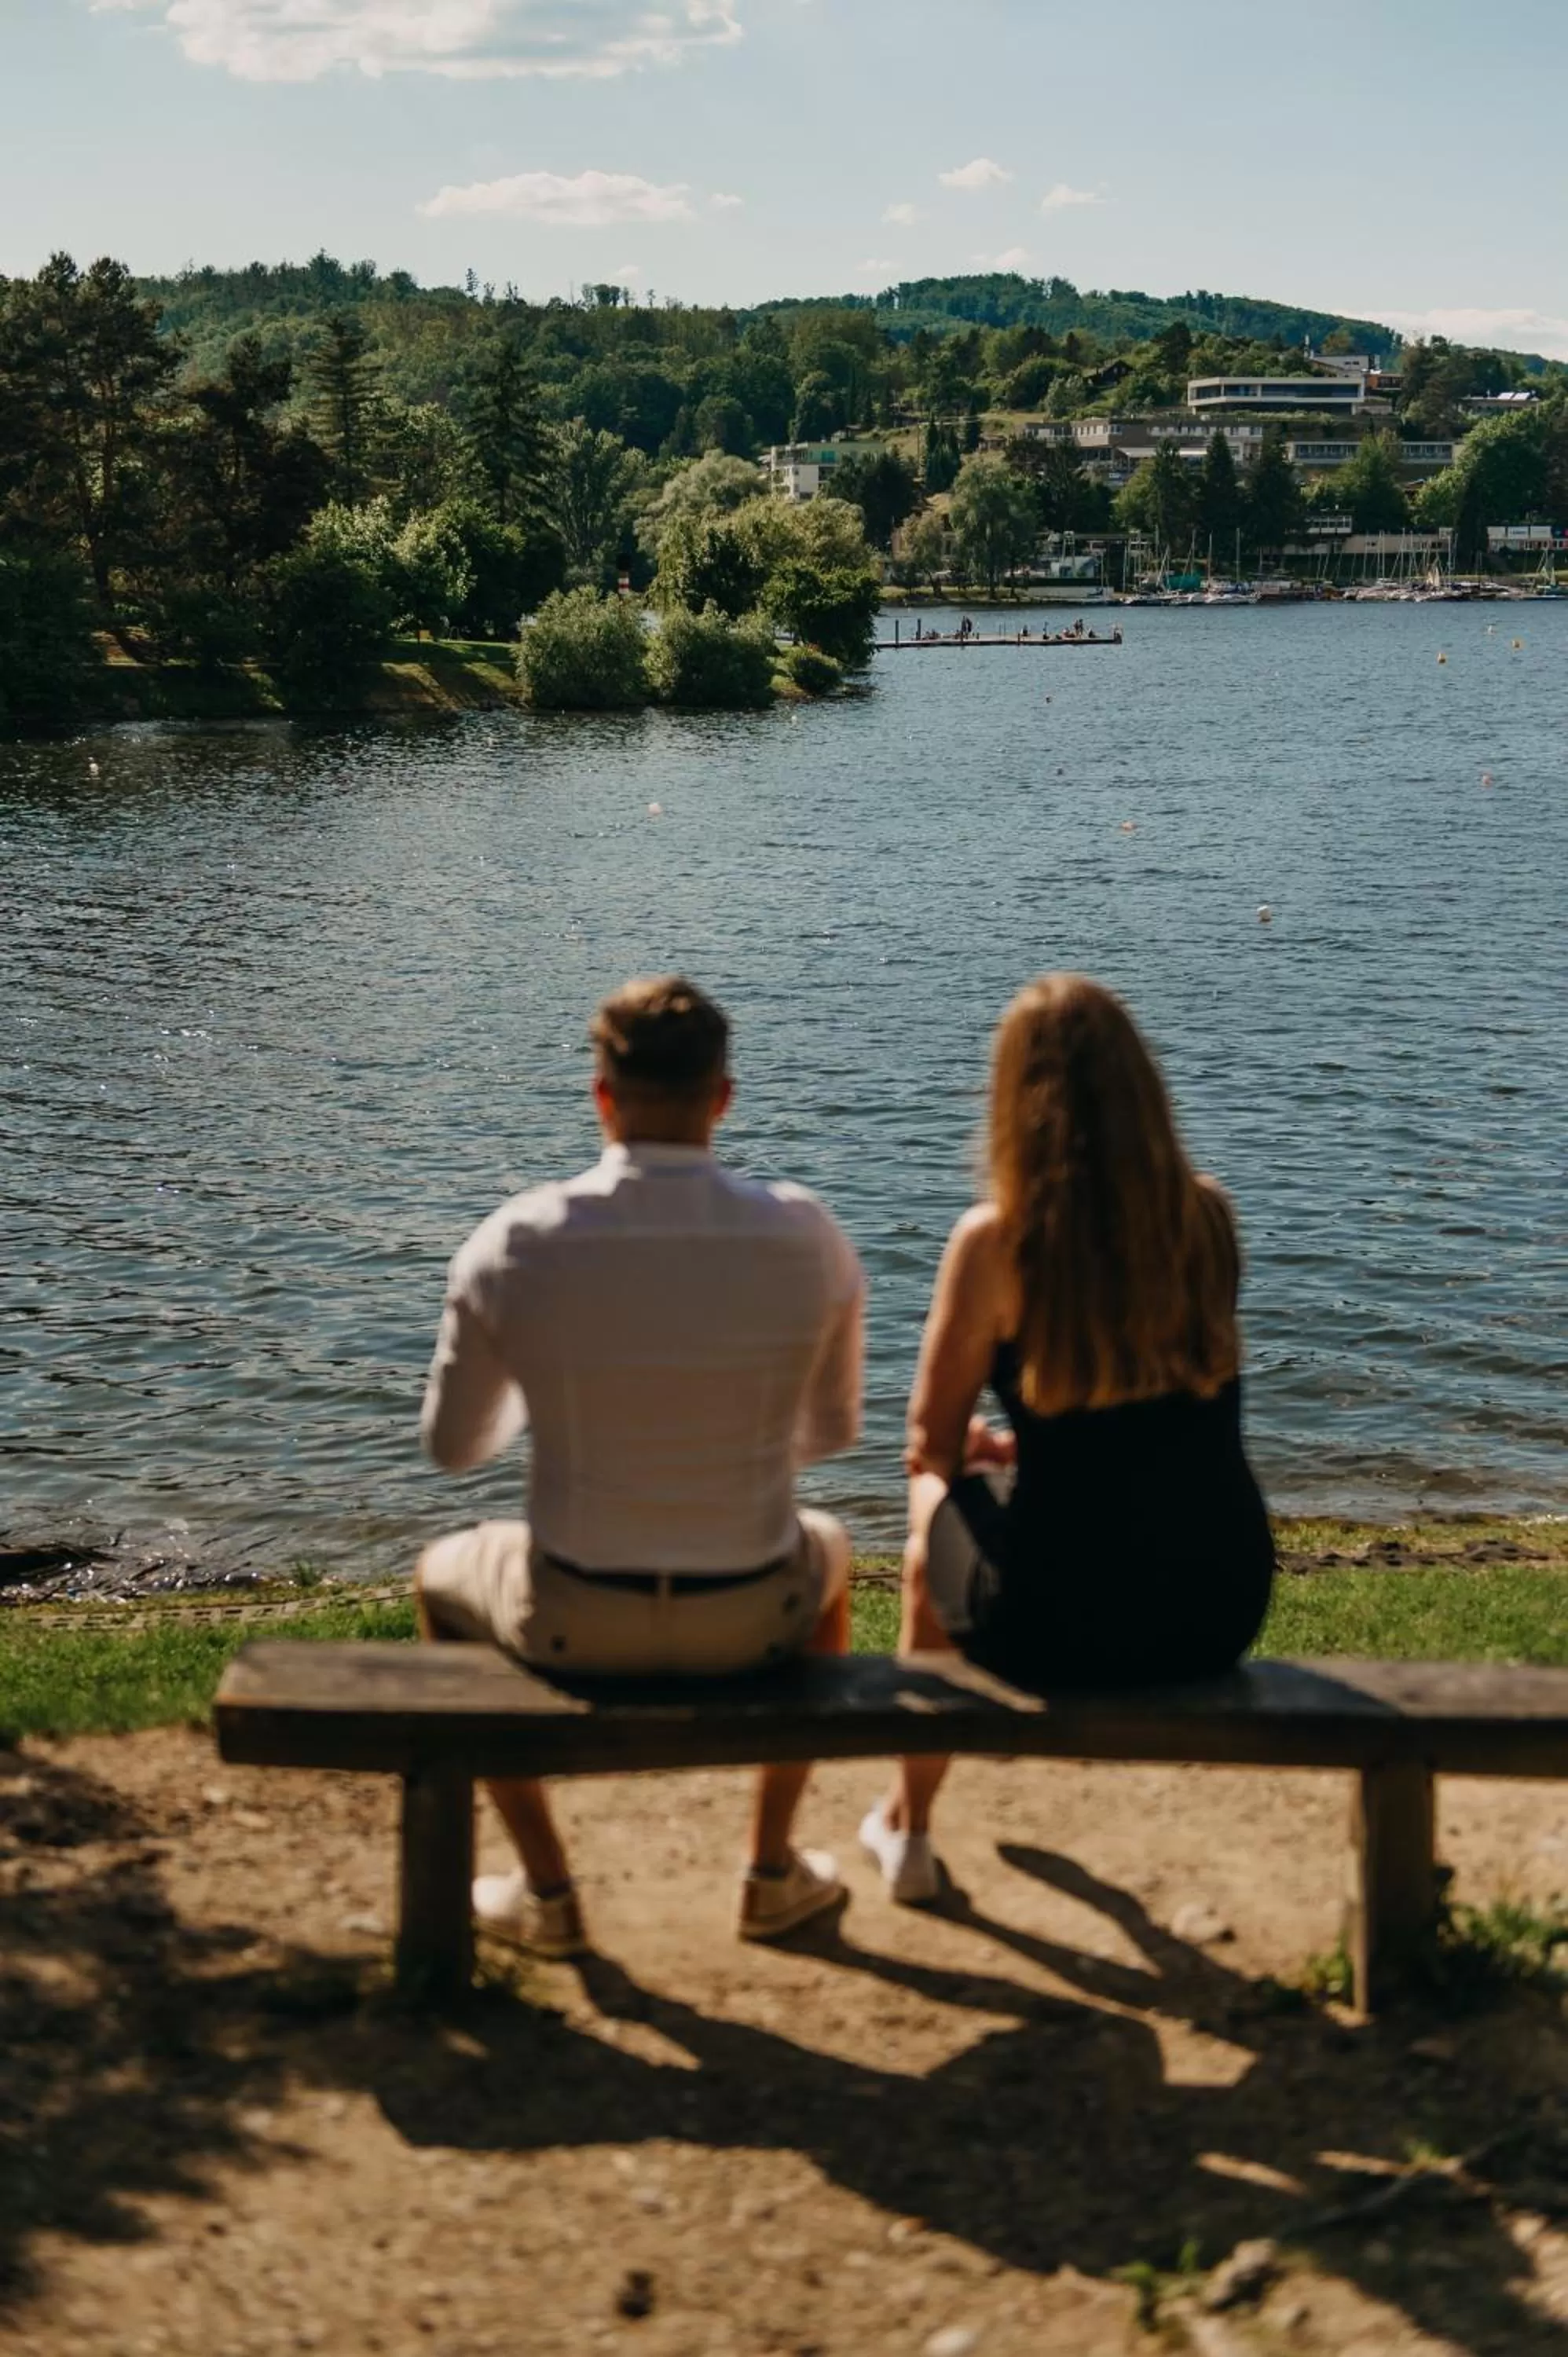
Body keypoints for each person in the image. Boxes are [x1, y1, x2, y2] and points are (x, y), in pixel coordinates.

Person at [416, 976, 864, 1957]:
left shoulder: (516, 1242)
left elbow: (454, 1451)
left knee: (438, 1577)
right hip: (752, 1616)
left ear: (602, 1096)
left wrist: (563, 1394)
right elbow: (829, 1433)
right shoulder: (806, 1235)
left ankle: (546, 1890)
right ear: (723, 1097)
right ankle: (771, 1870)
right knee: (827, 1543)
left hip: (573, 1616)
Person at [860, 973, 1275, 1904]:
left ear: (1012, 1102)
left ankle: (908, 1826)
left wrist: (966, 1461)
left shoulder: (995, 1243)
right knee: (972, 1491)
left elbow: (927, 1443)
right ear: (1143, 1089)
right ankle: (904, 1824)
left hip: (1060, 1625)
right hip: (1219, 1604)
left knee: (930, 1518)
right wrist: (1024, 1455)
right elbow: (1154, 1407)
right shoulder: (1205, 1217)